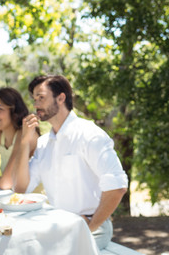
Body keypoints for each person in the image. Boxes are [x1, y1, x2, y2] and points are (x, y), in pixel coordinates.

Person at [13, 75, 128, 250]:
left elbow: (117, 186)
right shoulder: (44, 143)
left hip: (91, 227)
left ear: (61, 98)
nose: (35, 105)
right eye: (34, 99)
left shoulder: (89, 135)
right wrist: (24, 143)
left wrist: (88, 228)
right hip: (57, 226)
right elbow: (21, 189)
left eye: (41, 97)